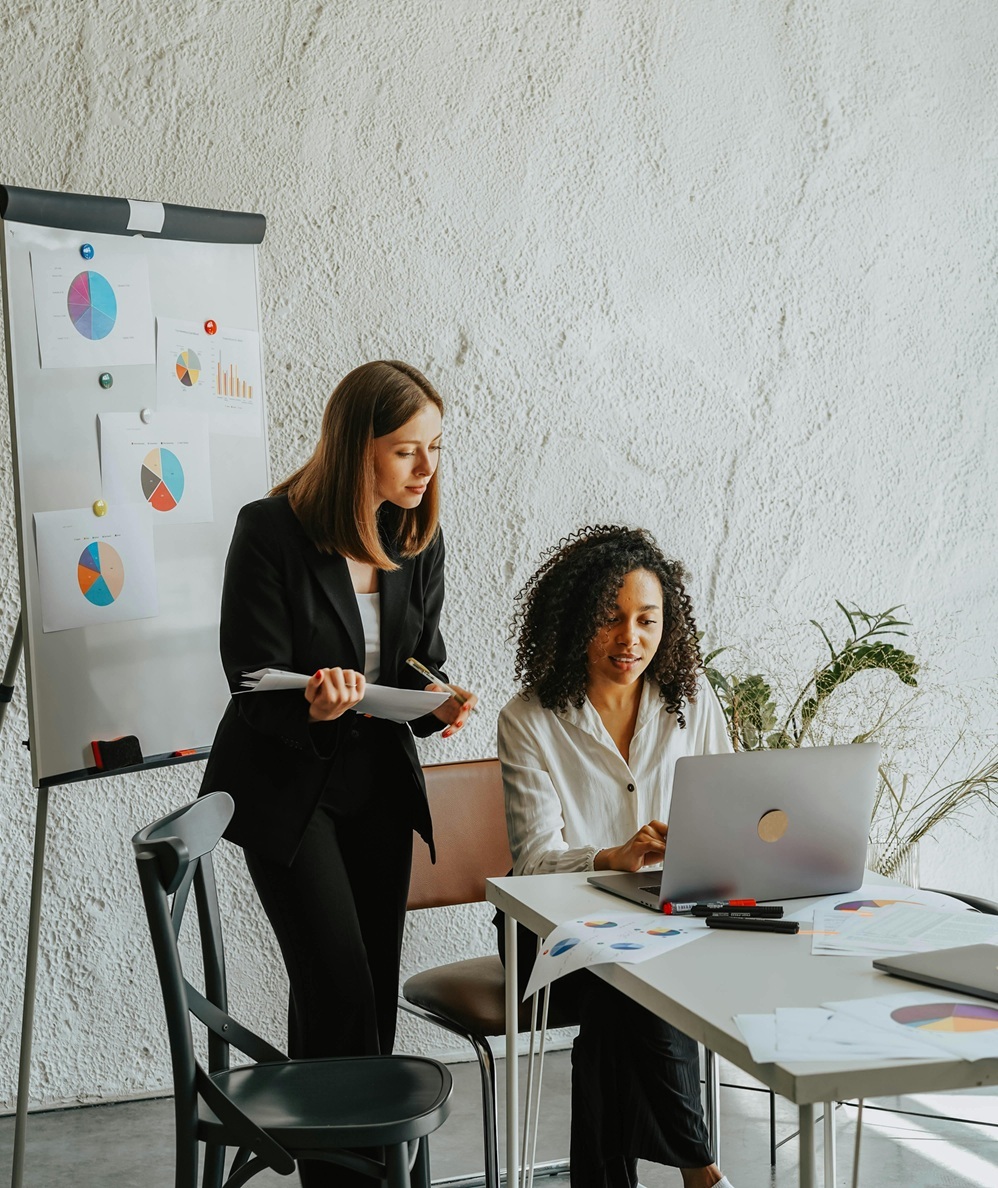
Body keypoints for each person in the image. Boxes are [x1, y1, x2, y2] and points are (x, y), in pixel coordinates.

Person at [200, 360, 477, 1188]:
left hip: (378, 786)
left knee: (362, 992)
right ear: (356, 449)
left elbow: (420, 658)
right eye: (406, 451)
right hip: (287, 786)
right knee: (338, 984)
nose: (426, 469)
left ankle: (348, 1170)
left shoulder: (414, 535)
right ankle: (353, 1176)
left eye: (434, 448)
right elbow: (251, 678)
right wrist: (317, 706)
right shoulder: (269, 530)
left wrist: (437, 700)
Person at [497, 525, 735, 1188]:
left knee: (620, 992)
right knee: (623, 969)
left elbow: (733, 809)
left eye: (646, 620)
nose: (630, 639)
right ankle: (700, 1165)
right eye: (610, 619)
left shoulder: (690, 700)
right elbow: (534, 862)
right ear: (576, 622)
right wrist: (611, 856)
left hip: (672, 916)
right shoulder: (530, 718)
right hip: (546, 934)